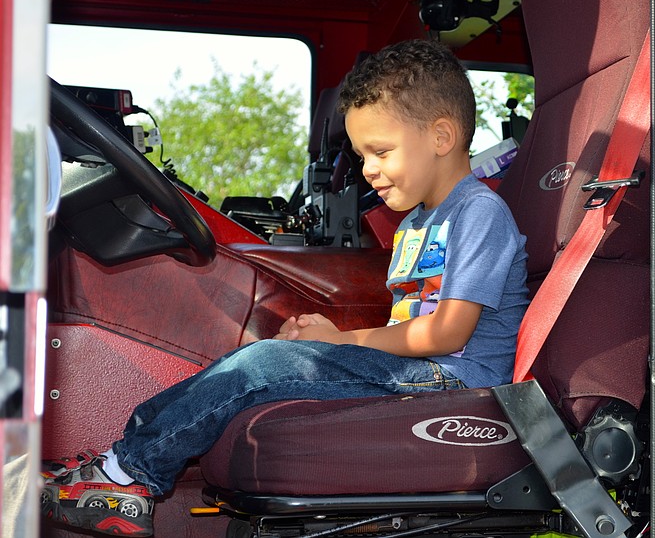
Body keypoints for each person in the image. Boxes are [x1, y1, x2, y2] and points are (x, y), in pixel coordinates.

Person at [40, 38, 530, 537]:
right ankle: (119, 458)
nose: (367, 170)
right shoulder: (416, 224)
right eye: (361, 155)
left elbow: (446, 333)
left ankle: (127, 478)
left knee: (262, 366)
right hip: (418, 372)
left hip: (455, 381)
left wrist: (340, 343)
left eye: (381, 151)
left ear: (442, 136)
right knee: (259, 358)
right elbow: (409, 323)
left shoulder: (478, 213)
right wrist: (337, 336)